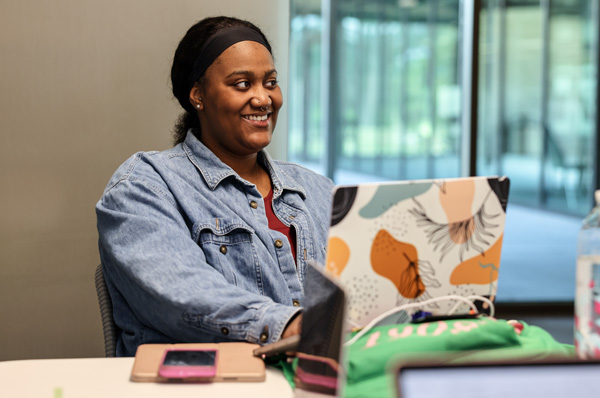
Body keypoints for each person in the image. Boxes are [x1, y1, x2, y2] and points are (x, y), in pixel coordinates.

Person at [96, 16, 334, 357]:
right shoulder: (144, 185)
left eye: (270, 82)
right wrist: (291, 324)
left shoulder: (318, 189)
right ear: (198, 95)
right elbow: (182, 293)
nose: (263, 98)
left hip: (318, 380)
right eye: (242, 84)